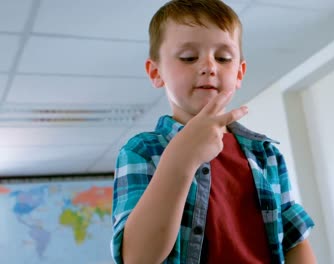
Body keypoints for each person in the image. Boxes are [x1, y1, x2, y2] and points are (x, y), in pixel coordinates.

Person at [111, 0, 316, 263]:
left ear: (239, 73)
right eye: (188, 58)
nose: (209, 66)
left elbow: (294, 240)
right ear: (155, 72)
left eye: (223, 58)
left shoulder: (267, 154)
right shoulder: (141, 151)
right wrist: (180, 160)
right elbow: (138, 258)